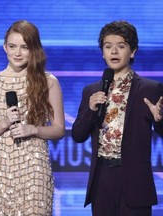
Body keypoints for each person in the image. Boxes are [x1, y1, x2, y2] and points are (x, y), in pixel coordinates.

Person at [72, 20, 163, 216]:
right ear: (102, 52)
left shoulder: (150, 89)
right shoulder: (92, 90)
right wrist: (89, 109)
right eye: (108, 46)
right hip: (102, 179)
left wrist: (159, 119)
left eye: (121, 46)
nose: (114, 51)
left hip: (134, 180)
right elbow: (78, 135)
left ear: (132, 51)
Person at [0, 20, 65, 215]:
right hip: (1, 168)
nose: (17, 53)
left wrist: (34, 129)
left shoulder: (48, 82)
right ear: (4, 47)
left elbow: (59, 128)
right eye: (12, 46)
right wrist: (4, 123)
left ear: (34, 48)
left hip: (35, 166)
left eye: (24, 47)